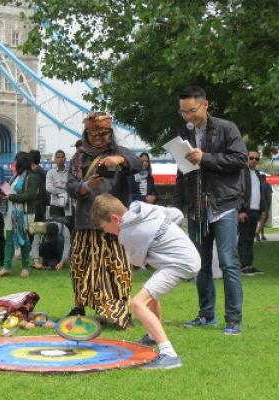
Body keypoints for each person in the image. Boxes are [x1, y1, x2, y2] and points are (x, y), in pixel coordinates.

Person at [91, 193, 200, 369]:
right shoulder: (142, 208)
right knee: (150, 295)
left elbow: (136, 262)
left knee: (137, 303)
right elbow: (177, 215)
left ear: (115, 218)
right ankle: (151, 336)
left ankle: (169, 354)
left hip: (178, 263)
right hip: (184, 258)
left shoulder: (127, 233)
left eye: (105, 226)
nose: (106, 231)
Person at [173, 85, 247, 335]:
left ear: (205, 105)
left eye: (191, 111)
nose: (187, 117)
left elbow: (240, 160)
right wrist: (178, 205)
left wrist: (205, 157)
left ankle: (233, 320)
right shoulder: (184, 132)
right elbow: (182, 171)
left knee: (228, 263)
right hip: (196, 207)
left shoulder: (227, 128)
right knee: (199, 264)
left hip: (224, 205)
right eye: (183, 113)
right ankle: (206, 315)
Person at [66, 111, 141, 329]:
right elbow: (70, 186)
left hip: (114, 224)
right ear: (86, 133)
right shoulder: (79, 157)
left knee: (117, 270)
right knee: (82, 268)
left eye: (103, 133)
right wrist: (88, 185)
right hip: (86, 221)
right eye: (93, 134)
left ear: (110, 133)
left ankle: (117, 310)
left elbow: (138, 163)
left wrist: (120, 160)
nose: (98, 138)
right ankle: (80, 306)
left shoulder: (120, 153)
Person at [0, 151, 38, 278]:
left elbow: (31, 195)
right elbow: (10, 190)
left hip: (24, 212)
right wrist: (4, 194)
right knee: (8, 239)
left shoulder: (32, 177)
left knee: (24, 240)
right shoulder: (15, 175)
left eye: (15, 160)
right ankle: (6, 267)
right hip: (10, 212)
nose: (14, 163)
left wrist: (11, 197)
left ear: (21, 162)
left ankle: (25, 267)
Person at [238, 150, 268, 275]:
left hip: (255, 211)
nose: (254, 161)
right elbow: (238, 192)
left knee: (250, 239)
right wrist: (240, 210)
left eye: (257, 159)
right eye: (251, 158)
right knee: (244, 238)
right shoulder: (241, 172)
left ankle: (249, 265)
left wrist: (263, 210)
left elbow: (260, 193)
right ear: (246, 158)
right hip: (245, 211)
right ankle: (244, 266)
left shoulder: (257, 174)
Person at [46, 149, 72, 218]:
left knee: (68, 226)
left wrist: (57, 187)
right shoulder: (50, 173)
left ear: (65, 159)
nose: (60, 159)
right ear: (55, 159)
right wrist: (65, 189)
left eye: (62, 157)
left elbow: (72, 187)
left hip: (68, 206)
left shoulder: (70, 172)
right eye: (58, 157)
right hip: (55, 205)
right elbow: (49, 188)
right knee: (56, 226)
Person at [30, 149, 48, 223]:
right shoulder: (39, 169)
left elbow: (37, 189)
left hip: (38, 203)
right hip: (40, 202)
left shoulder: (36, 171)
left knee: (37, 226)